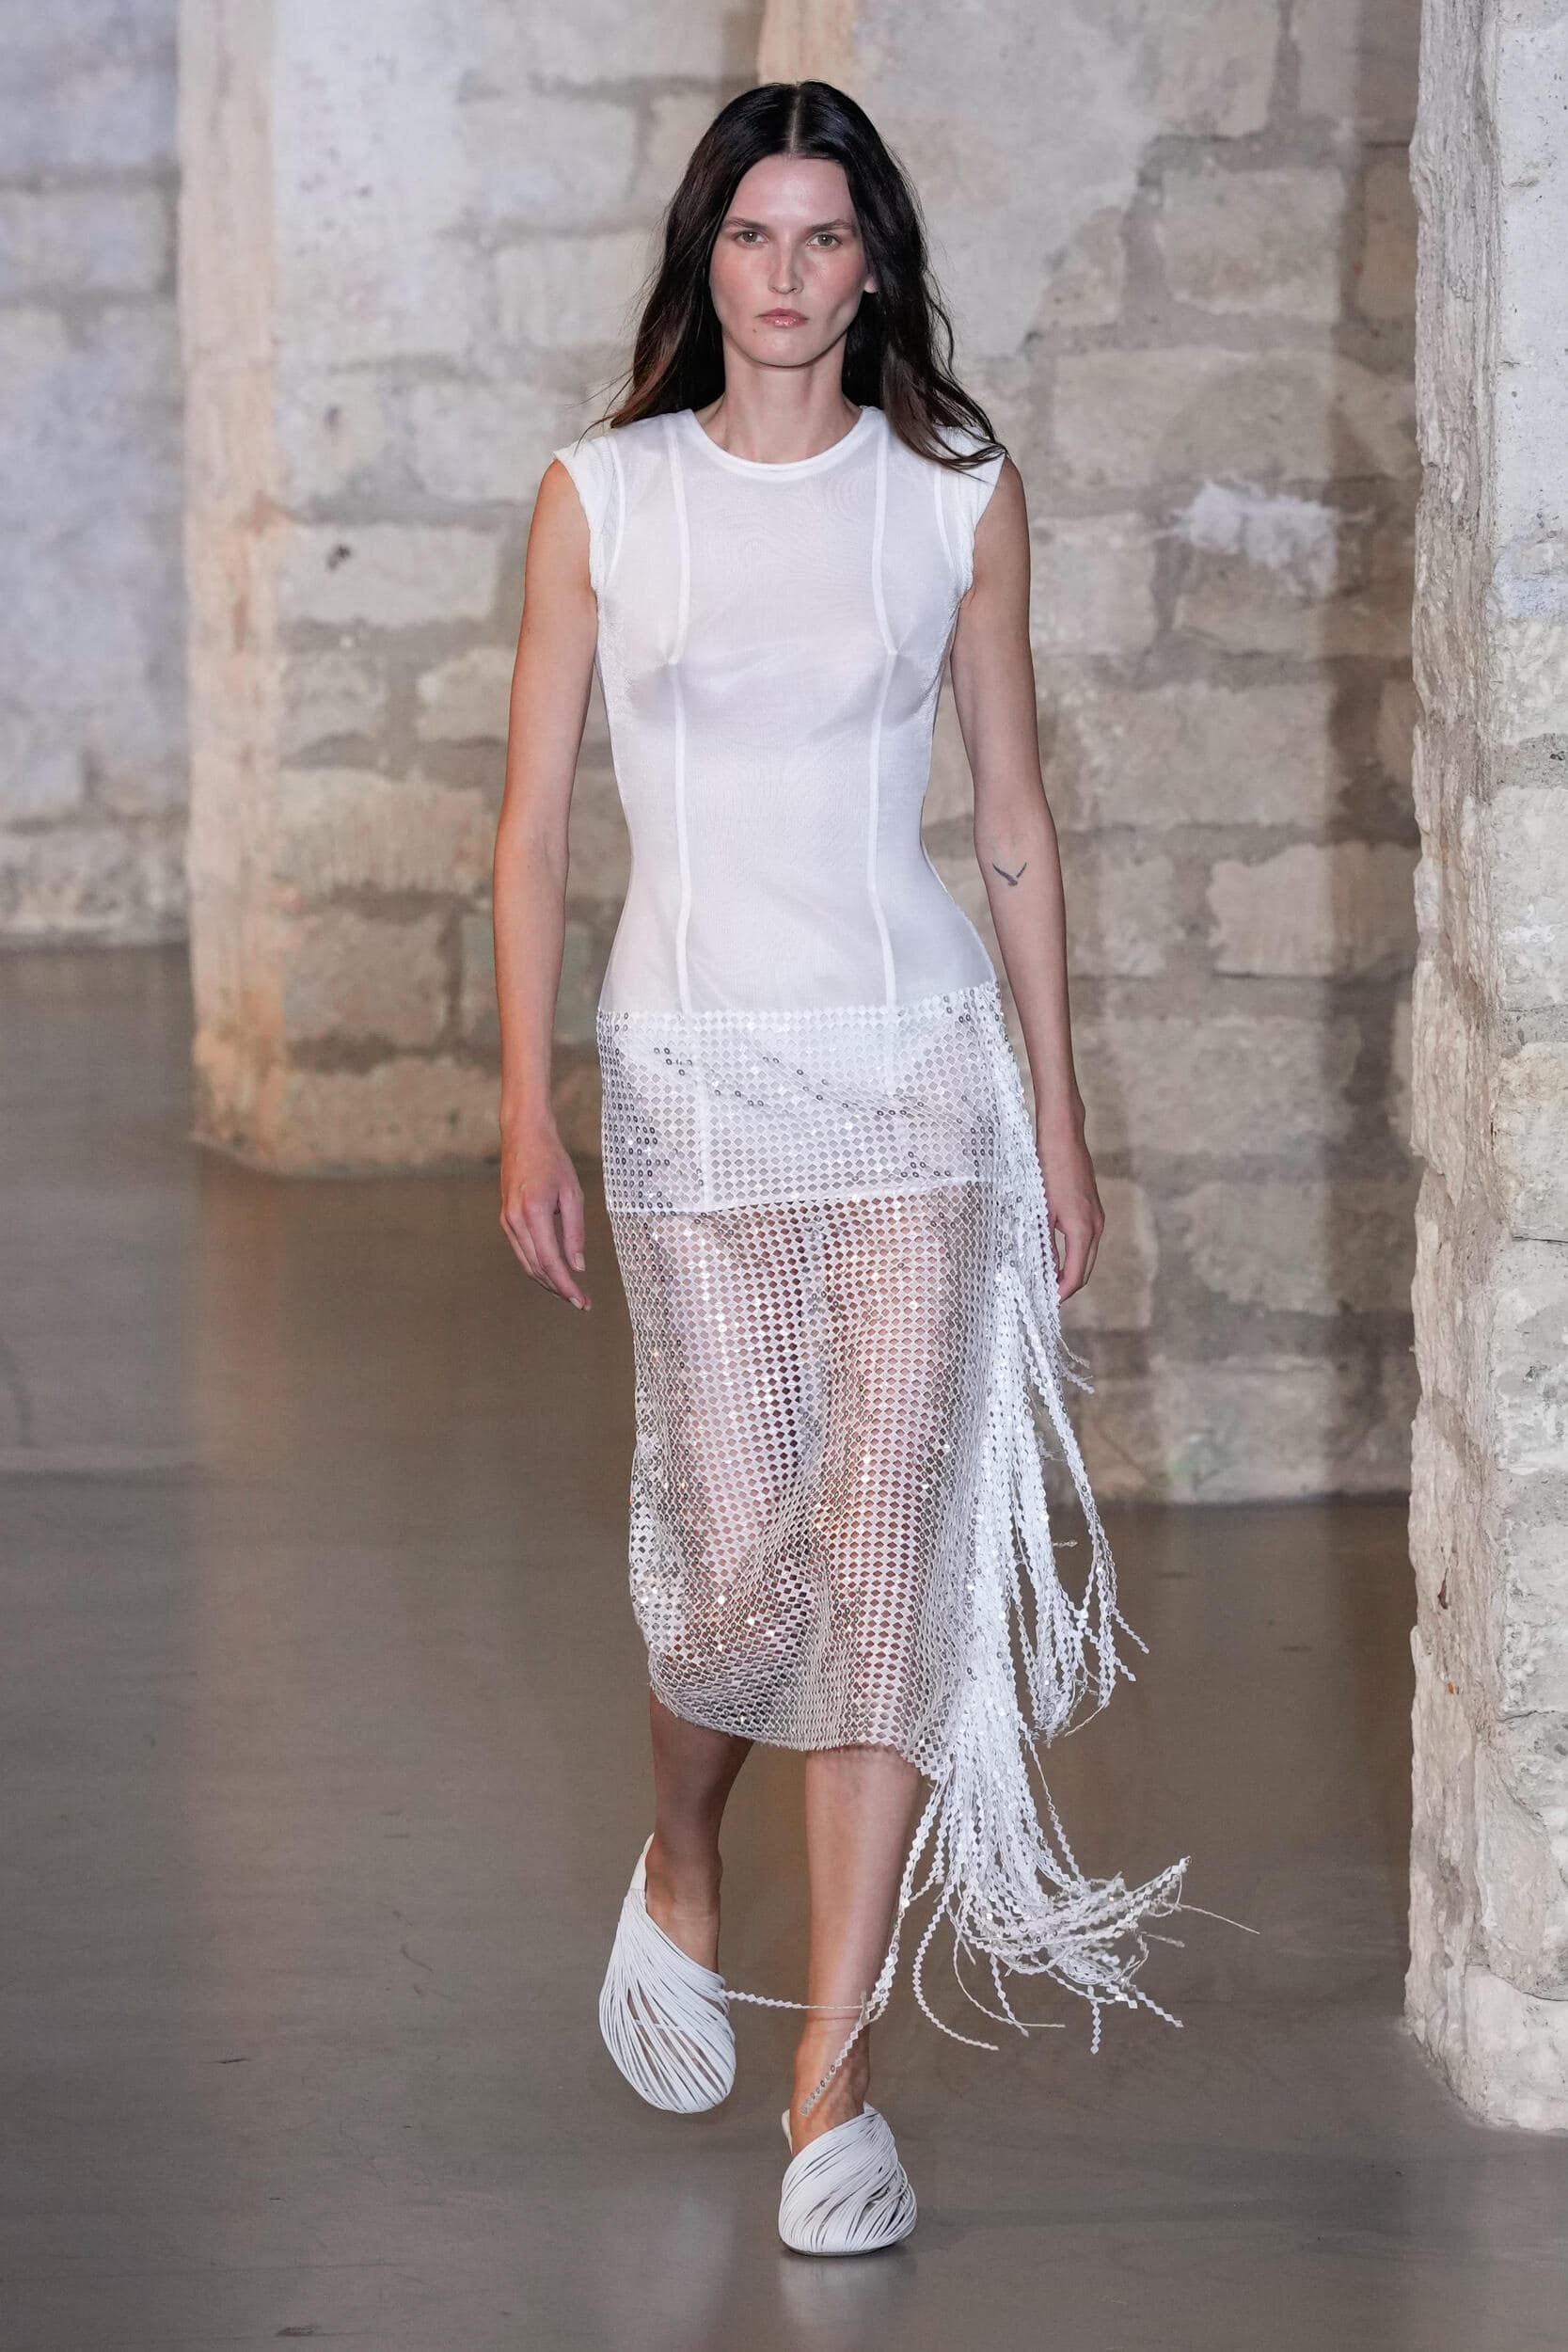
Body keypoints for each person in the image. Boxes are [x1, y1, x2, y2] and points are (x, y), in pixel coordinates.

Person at [492, 79, 1188, 2257]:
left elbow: (1012, 819)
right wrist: (524, 1102)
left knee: (883, 1562)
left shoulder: (951, 494)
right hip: (694, 1084)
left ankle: (833, 2081)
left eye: (823, 236)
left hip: (912, 1078)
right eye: (750, 235)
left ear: (873, 259)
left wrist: (1058, 1109)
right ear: (703, 258)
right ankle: (683, 1850)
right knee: (742, 1565)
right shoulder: (606, 498)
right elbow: (531, 829)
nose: (785, 275)